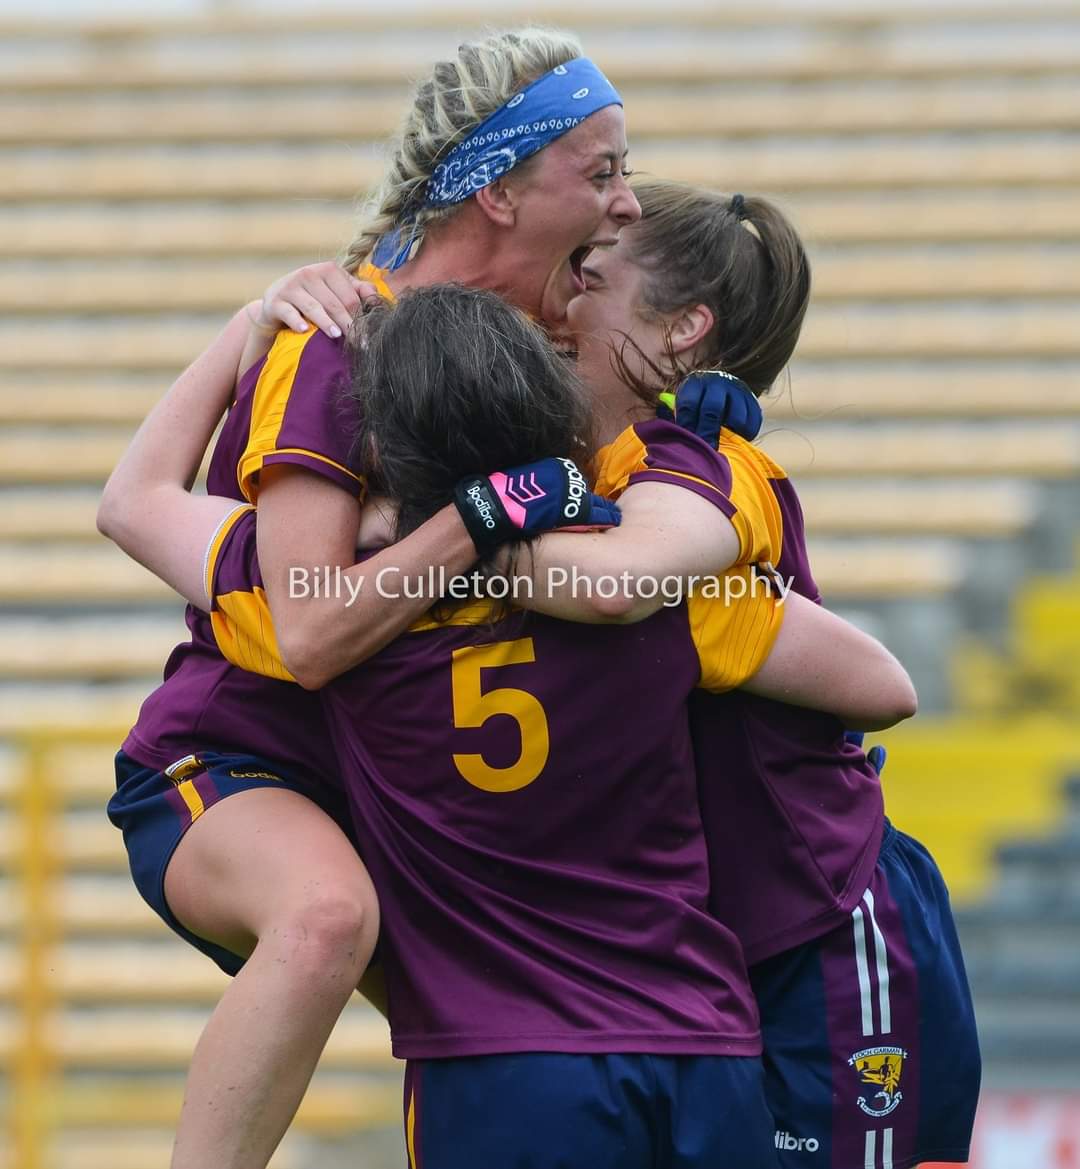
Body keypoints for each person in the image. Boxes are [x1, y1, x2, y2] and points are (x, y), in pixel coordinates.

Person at [124, 280, 918, 1168]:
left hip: (502, 1061)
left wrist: (252, 325)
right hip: (698, 1038)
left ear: (380, 449)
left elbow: (133, 500)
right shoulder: (660, 594)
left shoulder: (334, 606)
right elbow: (882, 685)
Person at [97, 27, 639, 1169]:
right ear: (497, 189)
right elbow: (310, 629)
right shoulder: (345, 342)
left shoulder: (549, 331)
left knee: (535, 1025)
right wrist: (475, 520)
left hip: (415, 789)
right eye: (600, 173)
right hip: (245, 766)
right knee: (326, 917)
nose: (629, 205)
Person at [556, 177, 980, 1169]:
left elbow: (884, 683)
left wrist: (453, 547)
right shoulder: (597, 468)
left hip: (827, 927)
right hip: (710, 957)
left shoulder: (716, 468)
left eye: (592, 274)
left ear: (684, 327)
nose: (558, 294)